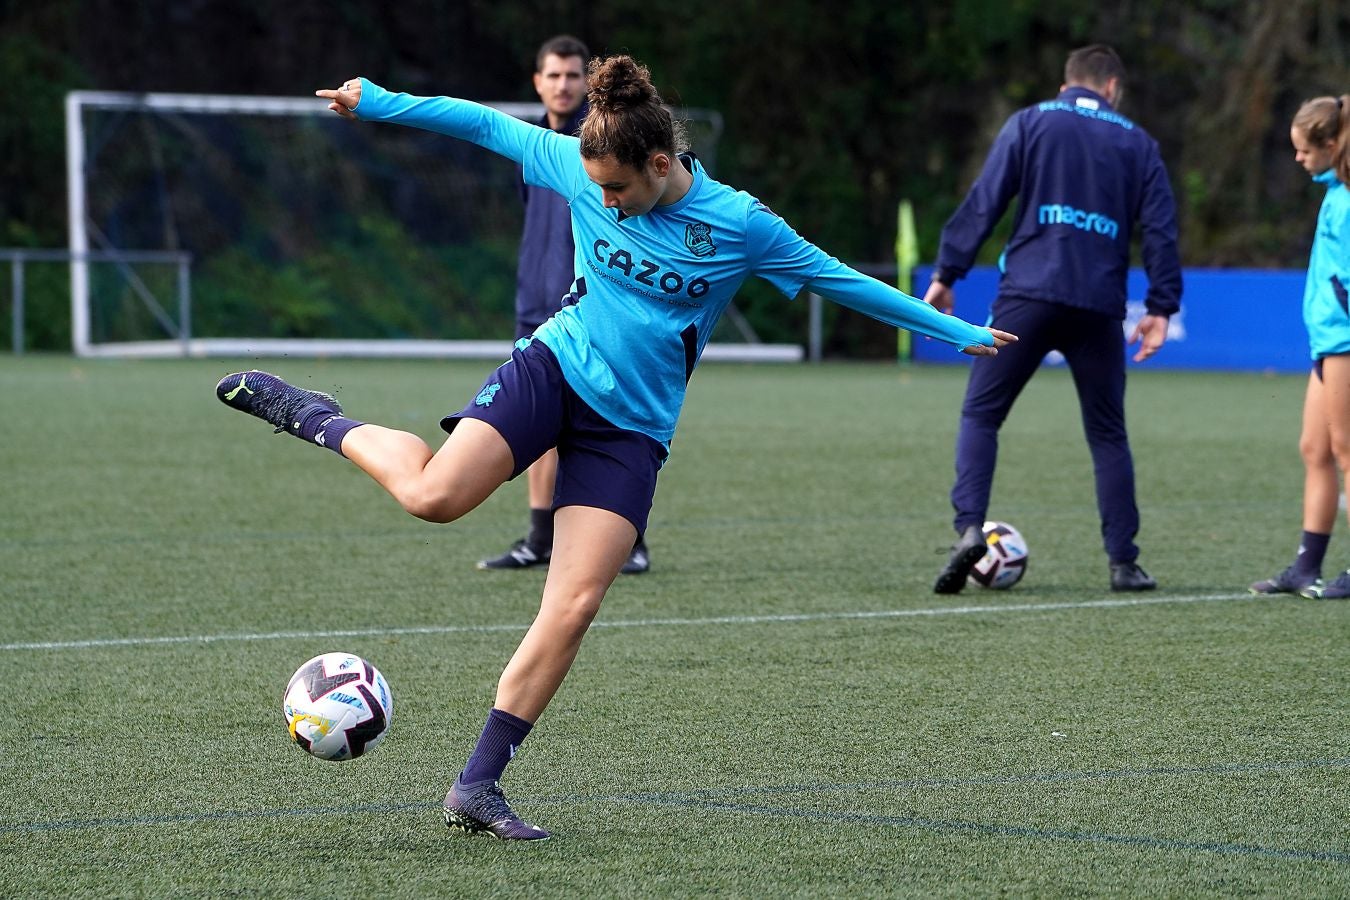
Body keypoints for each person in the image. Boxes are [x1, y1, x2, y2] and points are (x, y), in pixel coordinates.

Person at [218, 56, 1014, 840]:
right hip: (555, 369)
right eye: (596, 188)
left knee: (574, 604)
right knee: (434, 498)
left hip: (632, 427)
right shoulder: (575, 162)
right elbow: (480, 123)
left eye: (619, 189)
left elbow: (844, 281)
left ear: (662, 163)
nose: (604, 201)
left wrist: (959, 331)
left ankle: (477, 785)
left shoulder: (739, 224)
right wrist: (382, 101)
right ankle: (312, 415)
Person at [922, 43, 1181, 595]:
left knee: (982, 415)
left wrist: (948, 271)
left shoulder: (1031, 121)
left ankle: (970, 530)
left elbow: (985, 200)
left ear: (1068, 84)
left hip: (1028, 297)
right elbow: (1160, 230)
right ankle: (1123, 563)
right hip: (1098, 306)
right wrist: (1160, 307)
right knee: (1108, 433)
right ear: (1111, 88)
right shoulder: (1138, 141)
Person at [476, 36, 652, 576]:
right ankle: (538, 536)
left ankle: (629, 538)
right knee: (535, 422)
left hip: (593, 307)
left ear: (586, 82)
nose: (563, 85)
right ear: (538, 82)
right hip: (536, 297)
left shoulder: (602, 146)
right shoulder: (532, 146)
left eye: (573, 75)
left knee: (609, 418)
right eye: (553, 76)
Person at [1249, 94, 1350, 600]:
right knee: (1315, 448)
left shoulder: (1349, 200)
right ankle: (1305, 567)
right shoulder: (1334, 192)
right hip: (1328, 341)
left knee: (1349, 453)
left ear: (1332, 144)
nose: (1298, 158)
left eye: (1304, 150)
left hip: (1346, 343)